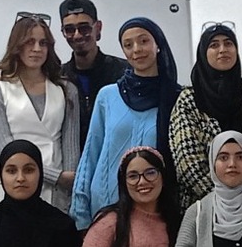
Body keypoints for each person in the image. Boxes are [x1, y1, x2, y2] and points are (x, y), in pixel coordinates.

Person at [73, 17, 181, 229]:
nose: (137, 49)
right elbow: (90, 155)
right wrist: (80, 211)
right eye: (128, 45)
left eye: (144, 41)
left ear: (158, 44)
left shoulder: (176, 99)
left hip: (155, 212)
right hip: (104, 207)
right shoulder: (108, 96)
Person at [168, 23, 242, 206]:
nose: (223, 50)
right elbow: (187, 161)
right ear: (203, 53)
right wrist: (224, 201)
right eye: (214, 45)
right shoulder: (190, 99)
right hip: (205, 205)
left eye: (228, 43)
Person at [0, 15, 82, 212]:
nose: (37, 49)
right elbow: (2, 149)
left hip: (58, 189)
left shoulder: (66, 89)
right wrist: (53, 176)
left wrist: (69, 180)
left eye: (43, 43)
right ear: (17, 46)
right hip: (15, 183)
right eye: (29, 42)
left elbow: (70, 145)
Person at [59, 0, 126, 142]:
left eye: (84, 28)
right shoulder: (57, 77)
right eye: (69, 30)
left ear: (98, 27)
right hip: (72, 155)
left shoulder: (124, 73)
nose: (77, 35)